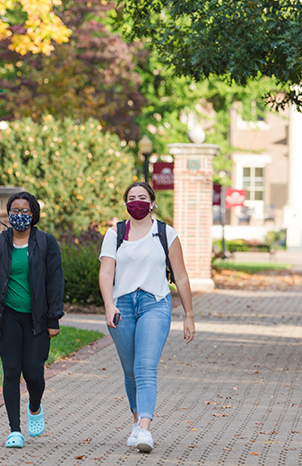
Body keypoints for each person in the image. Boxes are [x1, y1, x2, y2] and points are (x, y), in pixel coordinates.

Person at [98, 181, 196, 453]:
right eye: (132, 198)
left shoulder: (165, 233)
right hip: (122, 306)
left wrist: (189, 314)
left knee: (145, 368)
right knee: (130, 371)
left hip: (155, 303)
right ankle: (135, 422)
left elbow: (181, 276)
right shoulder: (115, 233)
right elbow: (106, 273)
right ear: (126, 203)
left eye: (143, 197)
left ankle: (144, 428)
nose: (137, 202)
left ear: (152, 202)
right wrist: (109, 305)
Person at [0, 191, 65, 449]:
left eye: (25, 211)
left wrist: (53, 319)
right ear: (8, 213)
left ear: (34, 214)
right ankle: (14, 430)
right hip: (7, 316)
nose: (19, 216)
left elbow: (55, 282)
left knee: (34, 374)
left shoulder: (46, 243)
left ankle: (34, 407)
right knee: (12, 371)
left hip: (38, 318)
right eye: (15, 210)